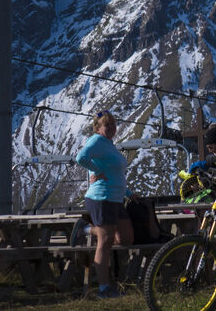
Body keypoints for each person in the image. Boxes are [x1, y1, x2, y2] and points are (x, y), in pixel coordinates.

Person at [74, 110, 135, 299]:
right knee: (106, 241)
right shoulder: (96, 141)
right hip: (102, 197)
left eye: (113, 124)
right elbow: (80, 157)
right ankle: (104, 289)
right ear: (98, 128)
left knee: (126, 238)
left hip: (116, 198)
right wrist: (97, 170)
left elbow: (115, 174)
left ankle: (86, 229)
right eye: (107, 125)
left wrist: (130, 194)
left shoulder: (109, 144)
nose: (111, 128)